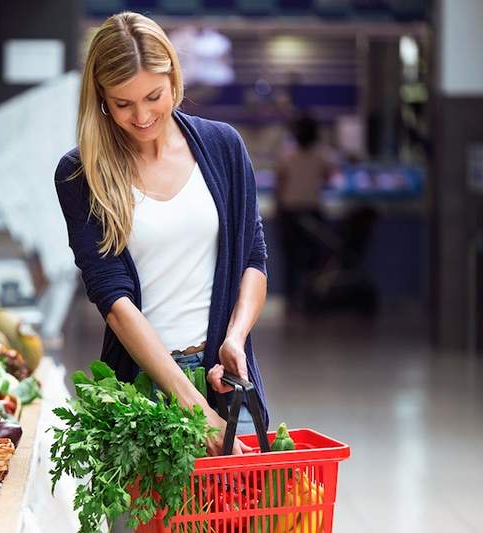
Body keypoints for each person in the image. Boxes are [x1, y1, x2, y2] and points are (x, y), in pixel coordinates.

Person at [54, 12, 268, 455]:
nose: (143, 115)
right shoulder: (81, 174)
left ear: (173, 76)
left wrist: (235, 337)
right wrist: (189, 403)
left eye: (153, 96)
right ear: (101, 100)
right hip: (141, 388)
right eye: (123, 103)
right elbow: (113, 300)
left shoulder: (223, 146)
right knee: (144, 524)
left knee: (235, 519)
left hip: (224, 379)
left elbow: (253, 258)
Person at [274, 113, 336, 312]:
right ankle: (310, 300)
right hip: (311, 210)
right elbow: (329, 176)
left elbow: (279, 182)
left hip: (289, 211)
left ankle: (292, 301)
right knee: (313, 259)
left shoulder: (287, 153)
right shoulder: (322, 154)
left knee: (291, 260)